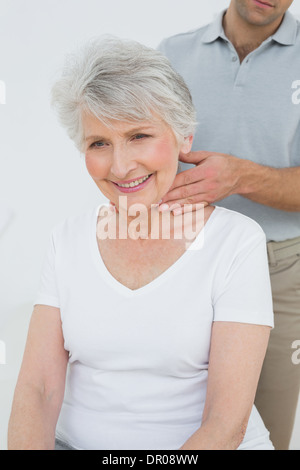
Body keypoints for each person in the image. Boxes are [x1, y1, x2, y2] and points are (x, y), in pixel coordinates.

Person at [8, 37, 274, 450]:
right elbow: (38, 390)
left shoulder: (236, 242)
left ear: (184, 136)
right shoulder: (67, 240)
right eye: (99, 143)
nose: (119, 165)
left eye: (139, 136)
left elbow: (225, 422)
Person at [158, 0, 300, 450]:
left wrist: (241, 176)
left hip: (280, 272)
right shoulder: (171, 55)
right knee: (175, 419)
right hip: (181, 263)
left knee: (265, 429)